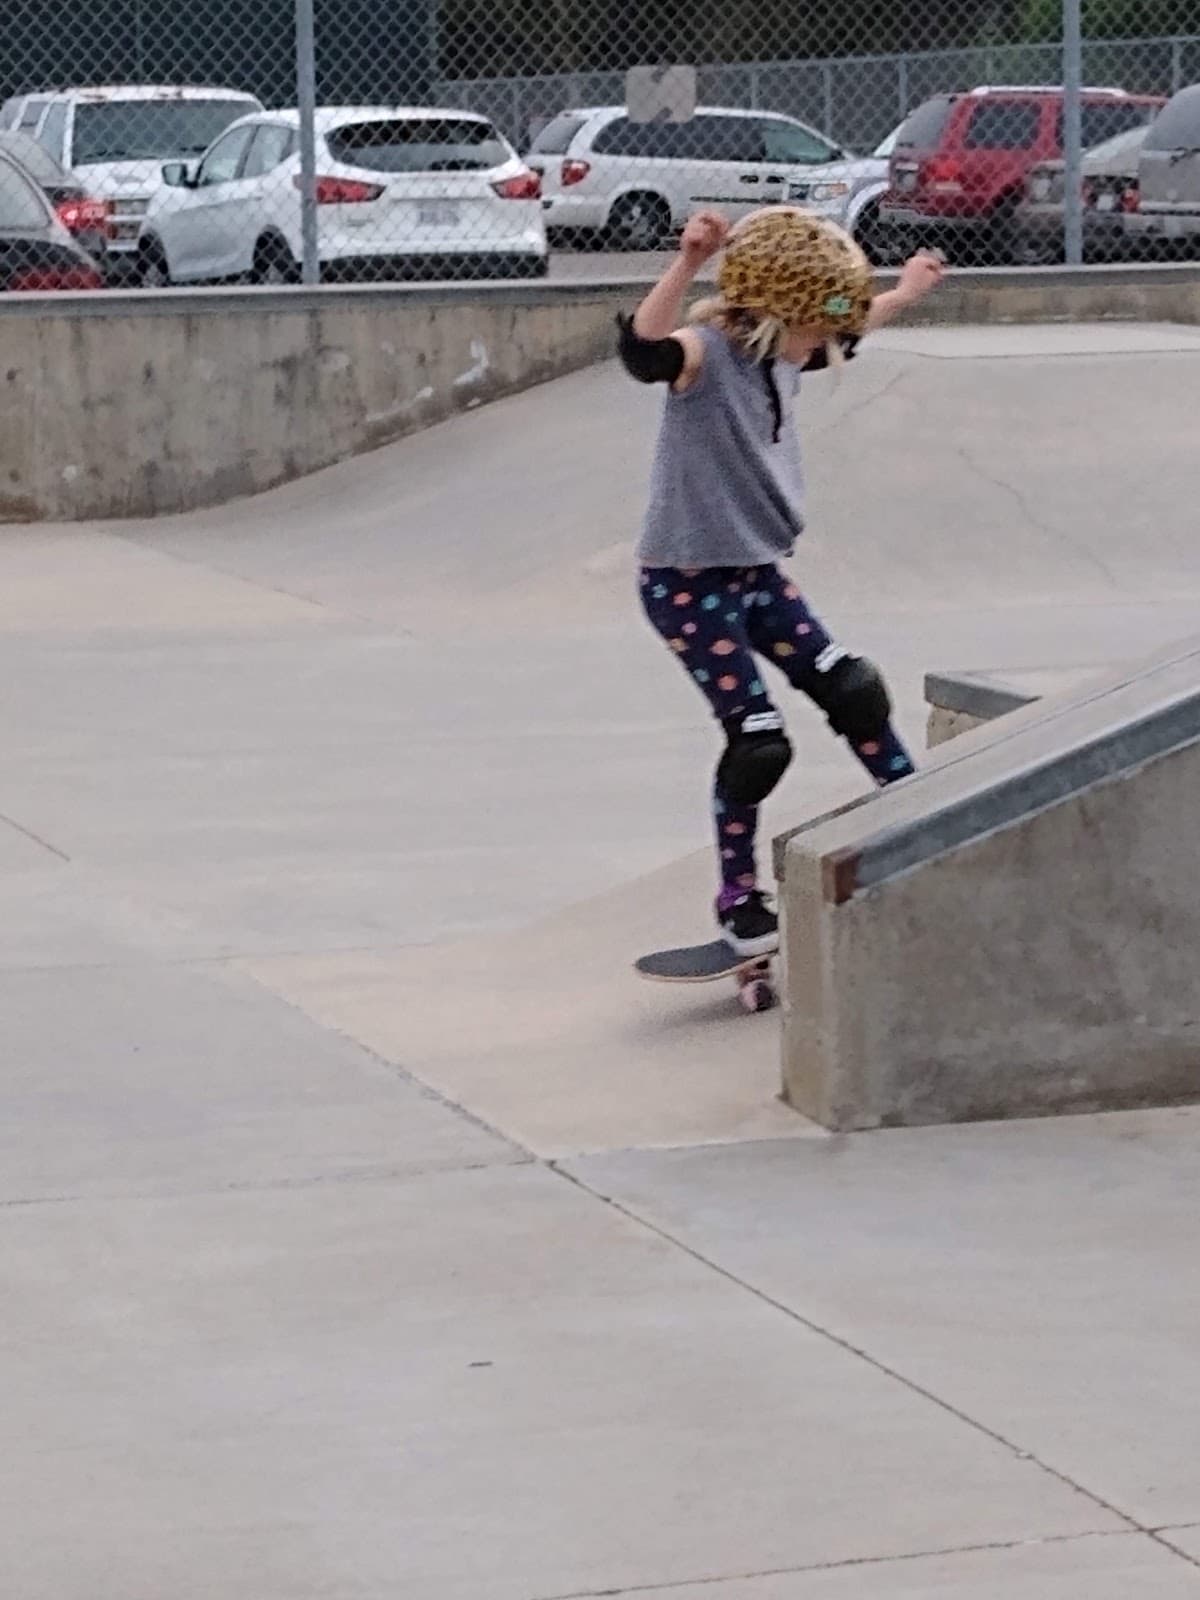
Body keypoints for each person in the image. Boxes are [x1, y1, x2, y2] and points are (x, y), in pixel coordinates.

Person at [616, 205, 944, 958]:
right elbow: (641, 352)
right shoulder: (702, 354)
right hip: (686, 588)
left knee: (853, 689)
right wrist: (688, 262)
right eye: (816, 334)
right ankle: (738, 901)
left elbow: (854, 318)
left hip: (759, 578)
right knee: (760, 742)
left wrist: (909, 290)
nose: (825, 349)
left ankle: (922, 812)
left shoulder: (791, 350)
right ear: (771, 316)